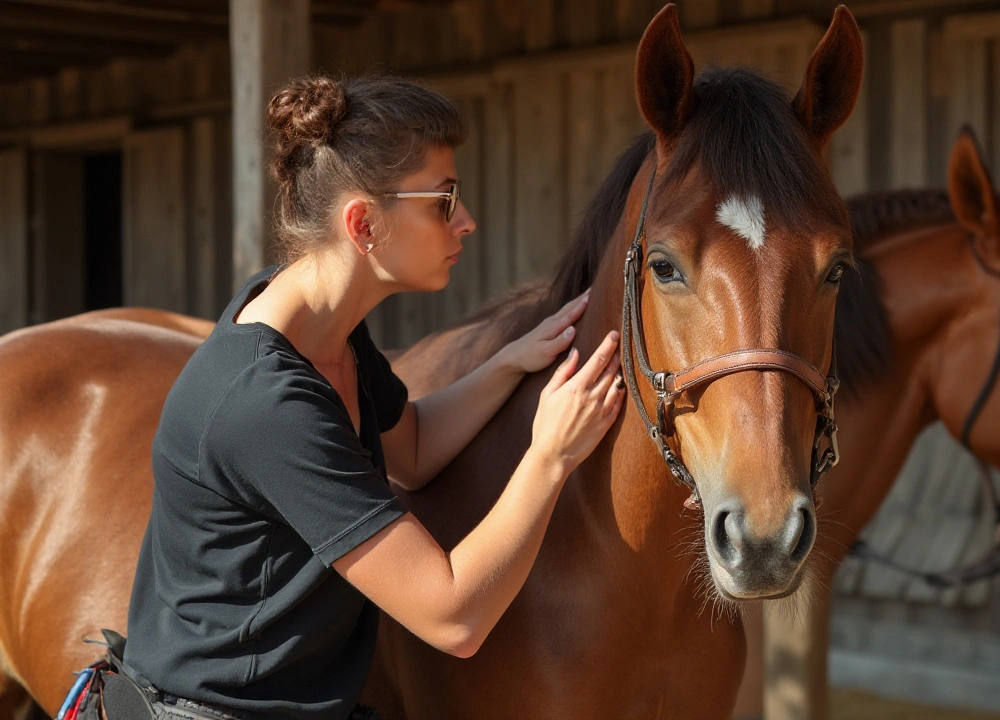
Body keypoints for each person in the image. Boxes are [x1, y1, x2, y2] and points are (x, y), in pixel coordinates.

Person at [116, 74, 624, 720]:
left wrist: (506, 365)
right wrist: (551, 455)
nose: (465, 221)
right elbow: (454, 616)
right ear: (363, 224)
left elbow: (410, 446)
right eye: (444, 200)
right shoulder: (267, 406)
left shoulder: (322, 324)